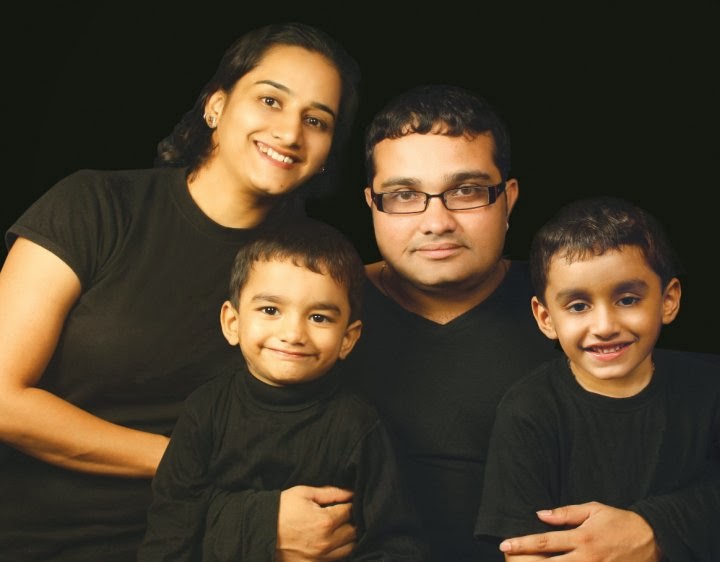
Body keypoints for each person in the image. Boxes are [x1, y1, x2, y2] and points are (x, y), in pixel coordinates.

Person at [0, 22, 361, 561]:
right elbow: (3, 400)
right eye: (270, 100)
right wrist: (185, 460)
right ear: (216, 106)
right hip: (44, 537)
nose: (290, 133)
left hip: (211, 541)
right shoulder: (95, 206)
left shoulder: (322, 264)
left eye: (316, 120)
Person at [340, 83, 718, 562]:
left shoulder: (579, 303)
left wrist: (657, 528)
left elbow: (682, 427)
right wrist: (267, 519)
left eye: (466, 191)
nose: (437, 222)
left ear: (509, 198)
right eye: (403, 194)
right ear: (371, 204)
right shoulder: (314, 312)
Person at [137, 218, 426, 561]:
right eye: (271, 310)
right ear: (233, 323)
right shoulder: (205, 410)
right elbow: (170, 530)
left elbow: (395, 545)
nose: (293, 334)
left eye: (319, 317)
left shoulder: (358, 425)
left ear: (348, 339)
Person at [474, 196, 720, 561]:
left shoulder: (709, 387)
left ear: (668, 300)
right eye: (578, 306)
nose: (604, 326)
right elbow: (524, 549)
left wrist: (660, 526)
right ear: (546, 318)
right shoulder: (529, 410)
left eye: (628, 300)